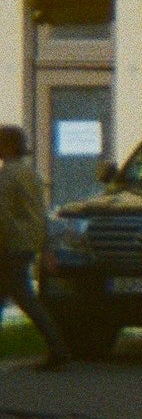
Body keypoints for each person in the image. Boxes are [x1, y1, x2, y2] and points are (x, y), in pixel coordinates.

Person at [0, 124, 70, 369]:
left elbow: (4, 215)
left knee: (25, 298)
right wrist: (45, 245)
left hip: (10, 245)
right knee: (19, 296)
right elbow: (41, 213)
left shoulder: (7, 176)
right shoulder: (31, 174)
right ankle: (59, 348)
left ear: (7, 146)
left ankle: (59, 349)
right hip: (28, 243)